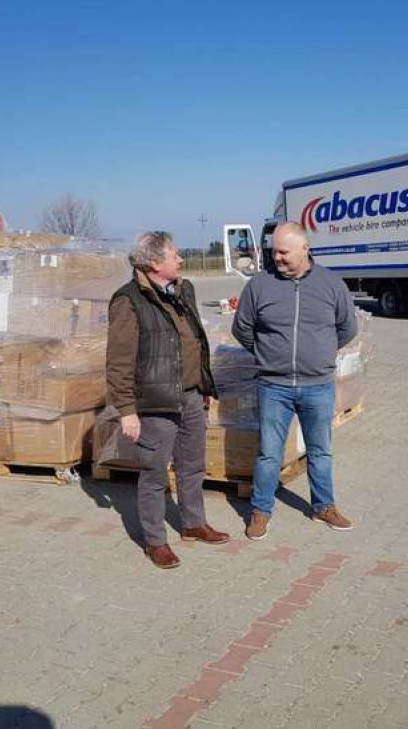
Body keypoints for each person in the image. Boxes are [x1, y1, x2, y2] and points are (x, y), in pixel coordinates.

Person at [106, 231, 229, 568]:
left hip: (190, 396)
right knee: (154, 472)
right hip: (155, 403)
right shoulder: (128, 300)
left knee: (193, 465)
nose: (181, 259)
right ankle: (155, 541)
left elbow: (196, 342)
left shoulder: (183, 290)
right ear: (154, 263)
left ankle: (193, 523)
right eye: (175, 254)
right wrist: (127, 412)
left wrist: (203, 386)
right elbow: (118, 362)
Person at [231, 222, 358, 540]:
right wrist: (267, 353)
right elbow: (242, 327)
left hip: (318, 385)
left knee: (320, 451)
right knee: (269, 453)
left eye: (283, 252)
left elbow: (347, 327)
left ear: (305, 249)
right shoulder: (260, 285)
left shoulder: (331, 284)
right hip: (273, 386)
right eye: (274, 252)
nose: (277, 258)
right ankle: (260, 511)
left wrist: (320, 354)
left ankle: (323, 507)